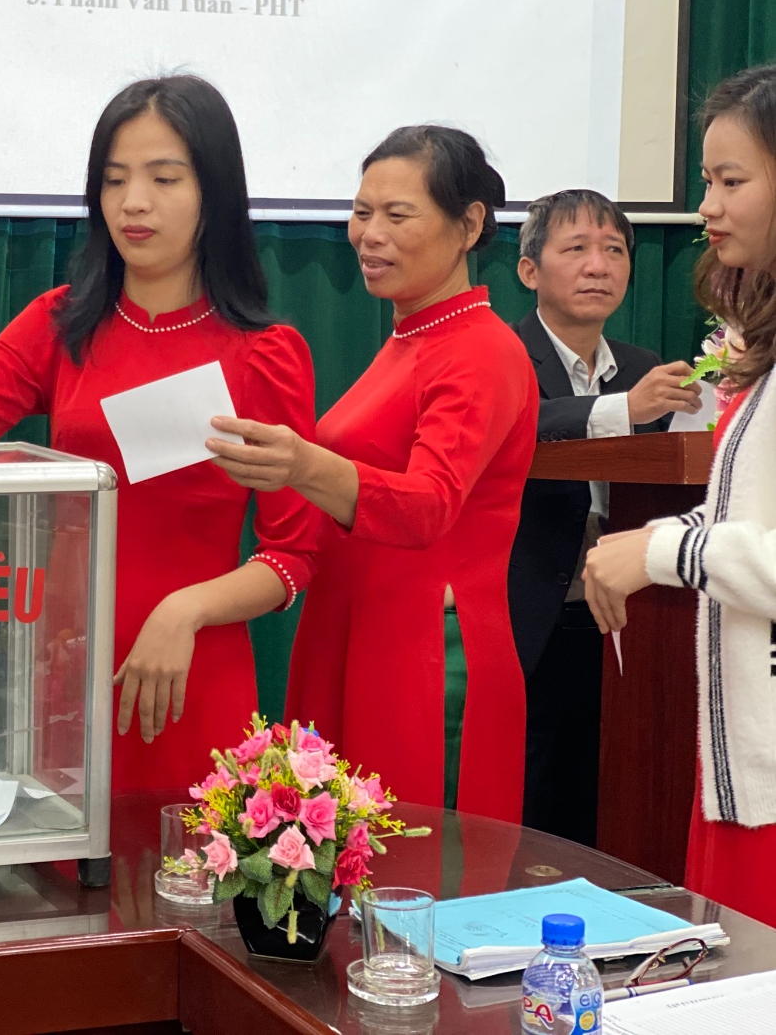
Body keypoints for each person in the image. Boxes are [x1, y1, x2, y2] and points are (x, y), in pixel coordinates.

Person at [0, 75, 321, 793]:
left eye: (164, 178)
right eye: (114, 180)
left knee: (181, 856)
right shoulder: (60, 324)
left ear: (214, 193)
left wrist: (186, 609)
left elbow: (292, 555)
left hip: (187, 671)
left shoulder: (263, 353)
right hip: (62, 669)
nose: (133, 202)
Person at [207, 126, 537, 821]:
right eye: (362, 213)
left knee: (418, 868)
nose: (369, 234)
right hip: (354, 635)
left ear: (469, 225)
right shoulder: (410, 339)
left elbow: (428, 506)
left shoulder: (480, 350)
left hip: (423, 654)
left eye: (397, 214)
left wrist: (304, 463)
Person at [584, 63, 776, 927]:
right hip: (742, 757)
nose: (707, 206)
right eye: (706, 181)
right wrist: (653, 542)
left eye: (732, 181)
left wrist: (660, 549)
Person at [507, 190, 702, 846]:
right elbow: (517, 426)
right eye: (576, 249)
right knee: (529, 806)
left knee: (613, 797)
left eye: (614, 250)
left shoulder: (644, 368)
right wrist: (622, 410)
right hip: (531, 616)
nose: (599, 266)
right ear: (529, 270)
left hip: (629, 624)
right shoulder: (502, 355)